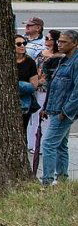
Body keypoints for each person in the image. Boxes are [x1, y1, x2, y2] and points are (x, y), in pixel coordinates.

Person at [40, 30, 78, 186]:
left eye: (64, 42)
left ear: (75, 43)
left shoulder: (75, 62)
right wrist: (46, 107)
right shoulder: (63, 60)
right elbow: (53, 86)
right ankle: (62, 178)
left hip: (63, 112)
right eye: (59, 41)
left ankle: (47, 180)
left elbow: (76, 91)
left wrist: (66, 111)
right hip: (55, 109)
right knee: (61, 145)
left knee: (48, 144)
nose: (59, 44)